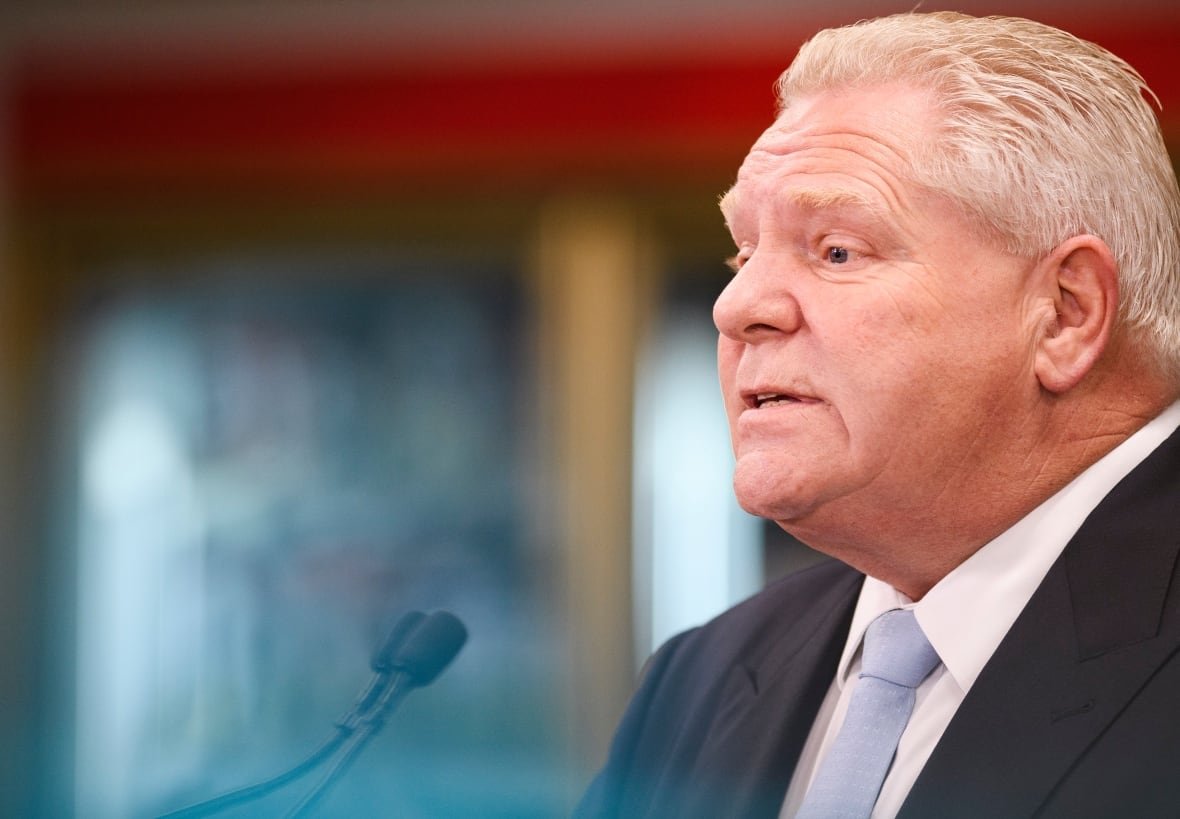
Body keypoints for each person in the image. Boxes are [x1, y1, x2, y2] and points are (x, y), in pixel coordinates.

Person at [576, 11, 1180, 819]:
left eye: (835, 250)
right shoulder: (700, 674)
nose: (736, 304)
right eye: (742, 252)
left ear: (1065, 313)